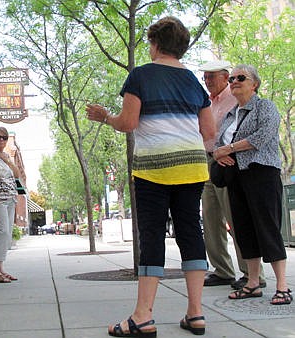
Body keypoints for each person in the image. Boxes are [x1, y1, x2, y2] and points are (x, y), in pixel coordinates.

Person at [86, 16, 214, 337]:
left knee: (153, 235)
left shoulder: (141, 75)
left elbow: (128, 123)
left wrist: (105, 117)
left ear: (155, 44)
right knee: (190, 233)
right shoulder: (195, 83)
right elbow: (209, 132)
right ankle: (195, 313)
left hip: (154, 168)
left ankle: (142, 316)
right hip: (192, 166)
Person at [213, 64, 292, 305]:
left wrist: (230, 149)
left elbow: (263, 135)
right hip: (236, 175)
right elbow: (218, 142)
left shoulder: (264, 107)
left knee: (267, 226)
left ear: (254, 84)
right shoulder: (231, 114)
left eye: (240, 78)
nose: (234, 81)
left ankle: (282, 286)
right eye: (232, 78)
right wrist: (219, 153)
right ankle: (252, 283)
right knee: (243, 228)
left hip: (261, 173)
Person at [199, 61, 266, 289]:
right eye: (204, 77)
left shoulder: (236, 97)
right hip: (208, 161)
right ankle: (222, 270)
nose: (207, 81)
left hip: (230, 161)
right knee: (210, 218)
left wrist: (227, 152)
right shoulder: (208, 102)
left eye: (211, 77)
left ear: (225, 76)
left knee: (236, 217)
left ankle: (252, 273)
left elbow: (244, 128)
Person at [0, 127, 20, 283]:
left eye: (4, 137)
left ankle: (0, 268)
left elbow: (17, 174)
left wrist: (7, 160)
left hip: (10, 198)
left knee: (6, 234)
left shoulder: (7, 156)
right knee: (0, 232)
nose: (1, 140)